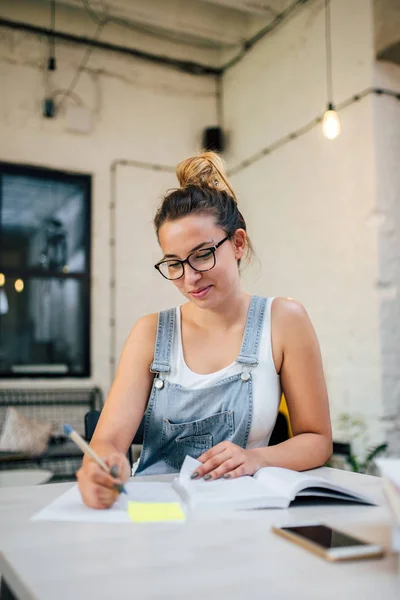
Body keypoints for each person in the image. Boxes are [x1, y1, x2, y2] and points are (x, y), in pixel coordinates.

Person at [77, 152, 332, 509]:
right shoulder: (150, 333)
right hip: (156, 517)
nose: (190, 277)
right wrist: (101, 467)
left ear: (238, 243)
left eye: (202, 254)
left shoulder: (284, 321)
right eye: (174, 263)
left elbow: (317, 439)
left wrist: (257, 459)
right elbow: (107, 443)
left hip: (243, 512)